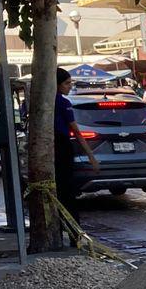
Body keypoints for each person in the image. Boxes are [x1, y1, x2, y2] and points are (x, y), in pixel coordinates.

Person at [54, 67, 98, 217]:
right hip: (62, 146)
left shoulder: (47, 102)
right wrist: (91, 155)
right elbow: (76, 131)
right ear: (58, 84)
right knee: (67, 189)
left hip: (53, 147)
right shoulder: (63, 103)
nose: (70, 86)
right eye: (67, 83)